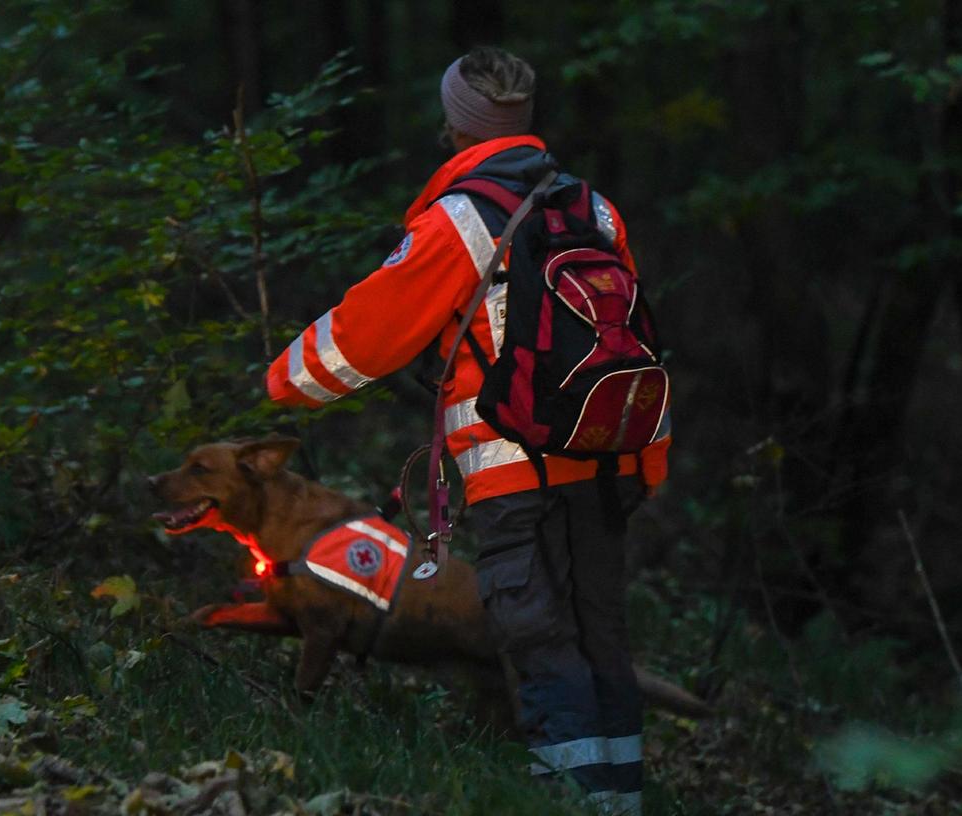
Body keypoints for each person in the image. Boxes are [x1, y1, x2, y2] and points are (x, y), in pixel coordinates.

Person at [265, 46, 670, 814]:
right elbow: (638, 347)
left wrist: (282, 379)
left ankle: (575, 802)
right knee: (600, 642)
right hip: (607, 466)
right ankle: (617, 798)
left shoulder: (460, 218)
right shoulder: (597, 210)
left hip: (514, 475)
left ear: (454, 123)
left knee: (540, 645)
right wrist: (650, 463)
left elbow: (364, 336)